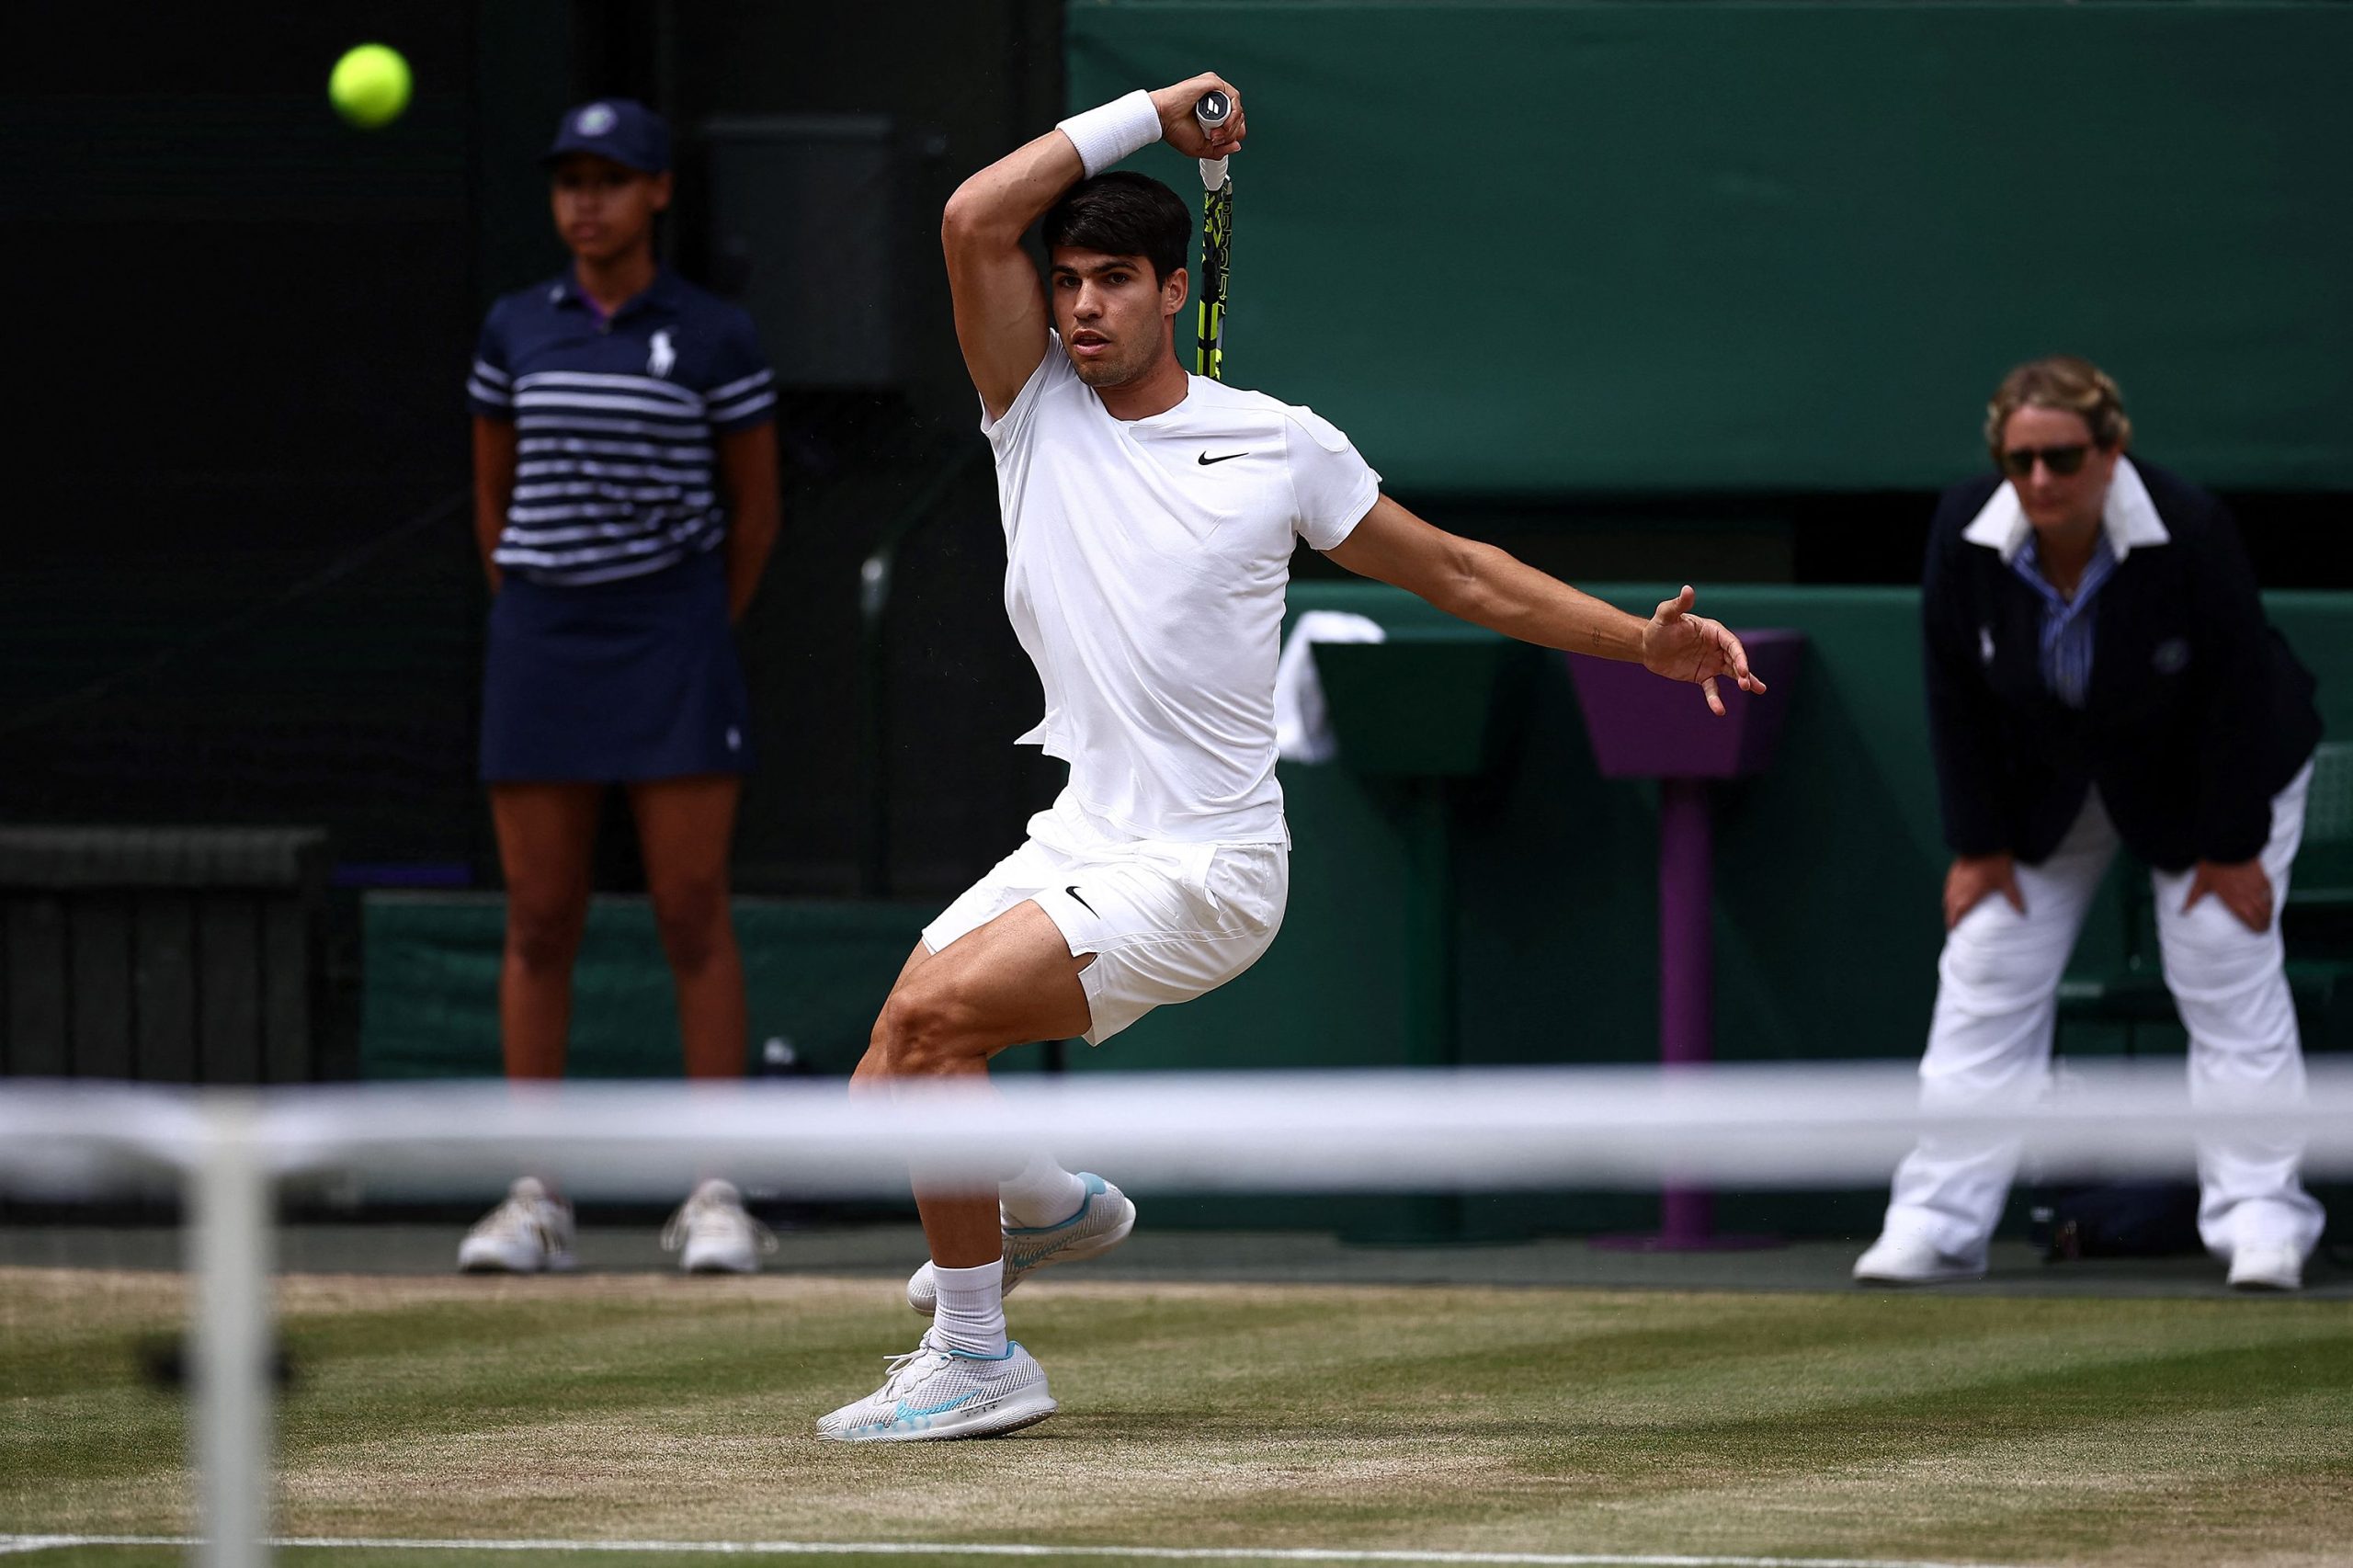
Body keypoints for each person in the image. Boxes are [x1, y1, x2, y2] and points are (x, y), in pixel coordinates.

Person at [815, 74, 1764, 1442]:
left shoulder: (1279, 445)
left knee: (928, 1027)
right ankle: (1057, 1206)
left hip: (1210, 866)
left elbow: (1458, 571)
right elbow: (973, 217)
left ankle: (980, 1354)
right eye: (1069, 280)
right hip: (1086, 833)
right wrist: (1153, 108)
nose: (1082, 305)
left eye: (1114, 281)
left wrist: (1638, 643)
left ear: (1171, 288)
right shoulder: (1028, 408)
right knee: (881, 1089)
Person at [1855, 356, 2326, 1292]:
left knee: (2220, 953)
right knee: (1985, 957)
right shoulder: (1963, 530)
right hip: (2052, 780)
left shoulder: (2189, 526)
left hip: (2207, 779)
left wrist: (2231, 847)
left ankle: (2262, 1217)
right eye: (2019, 459)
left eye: (2062, 458)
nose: (2038, 481)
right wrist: (1978, 842)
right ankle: (1936, 1221)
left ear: (2110, 452)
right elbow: (1953, 692)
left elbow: (2236, 693)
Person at [458, 99, 782, 1276]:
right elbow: (493, 503)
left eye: (610, 178)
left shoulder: (714, 335)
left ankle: (715, 1193)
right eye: (568, 181)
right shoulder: (512, 329)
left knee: (691, 910)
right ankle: (534, 1196)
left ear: (656, 193)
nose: (584, 200)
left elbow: (755, 515)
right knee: (540, 917)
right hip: (543, 639)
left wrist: (686, 623)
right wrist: (545, 603)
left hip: (673, 639)